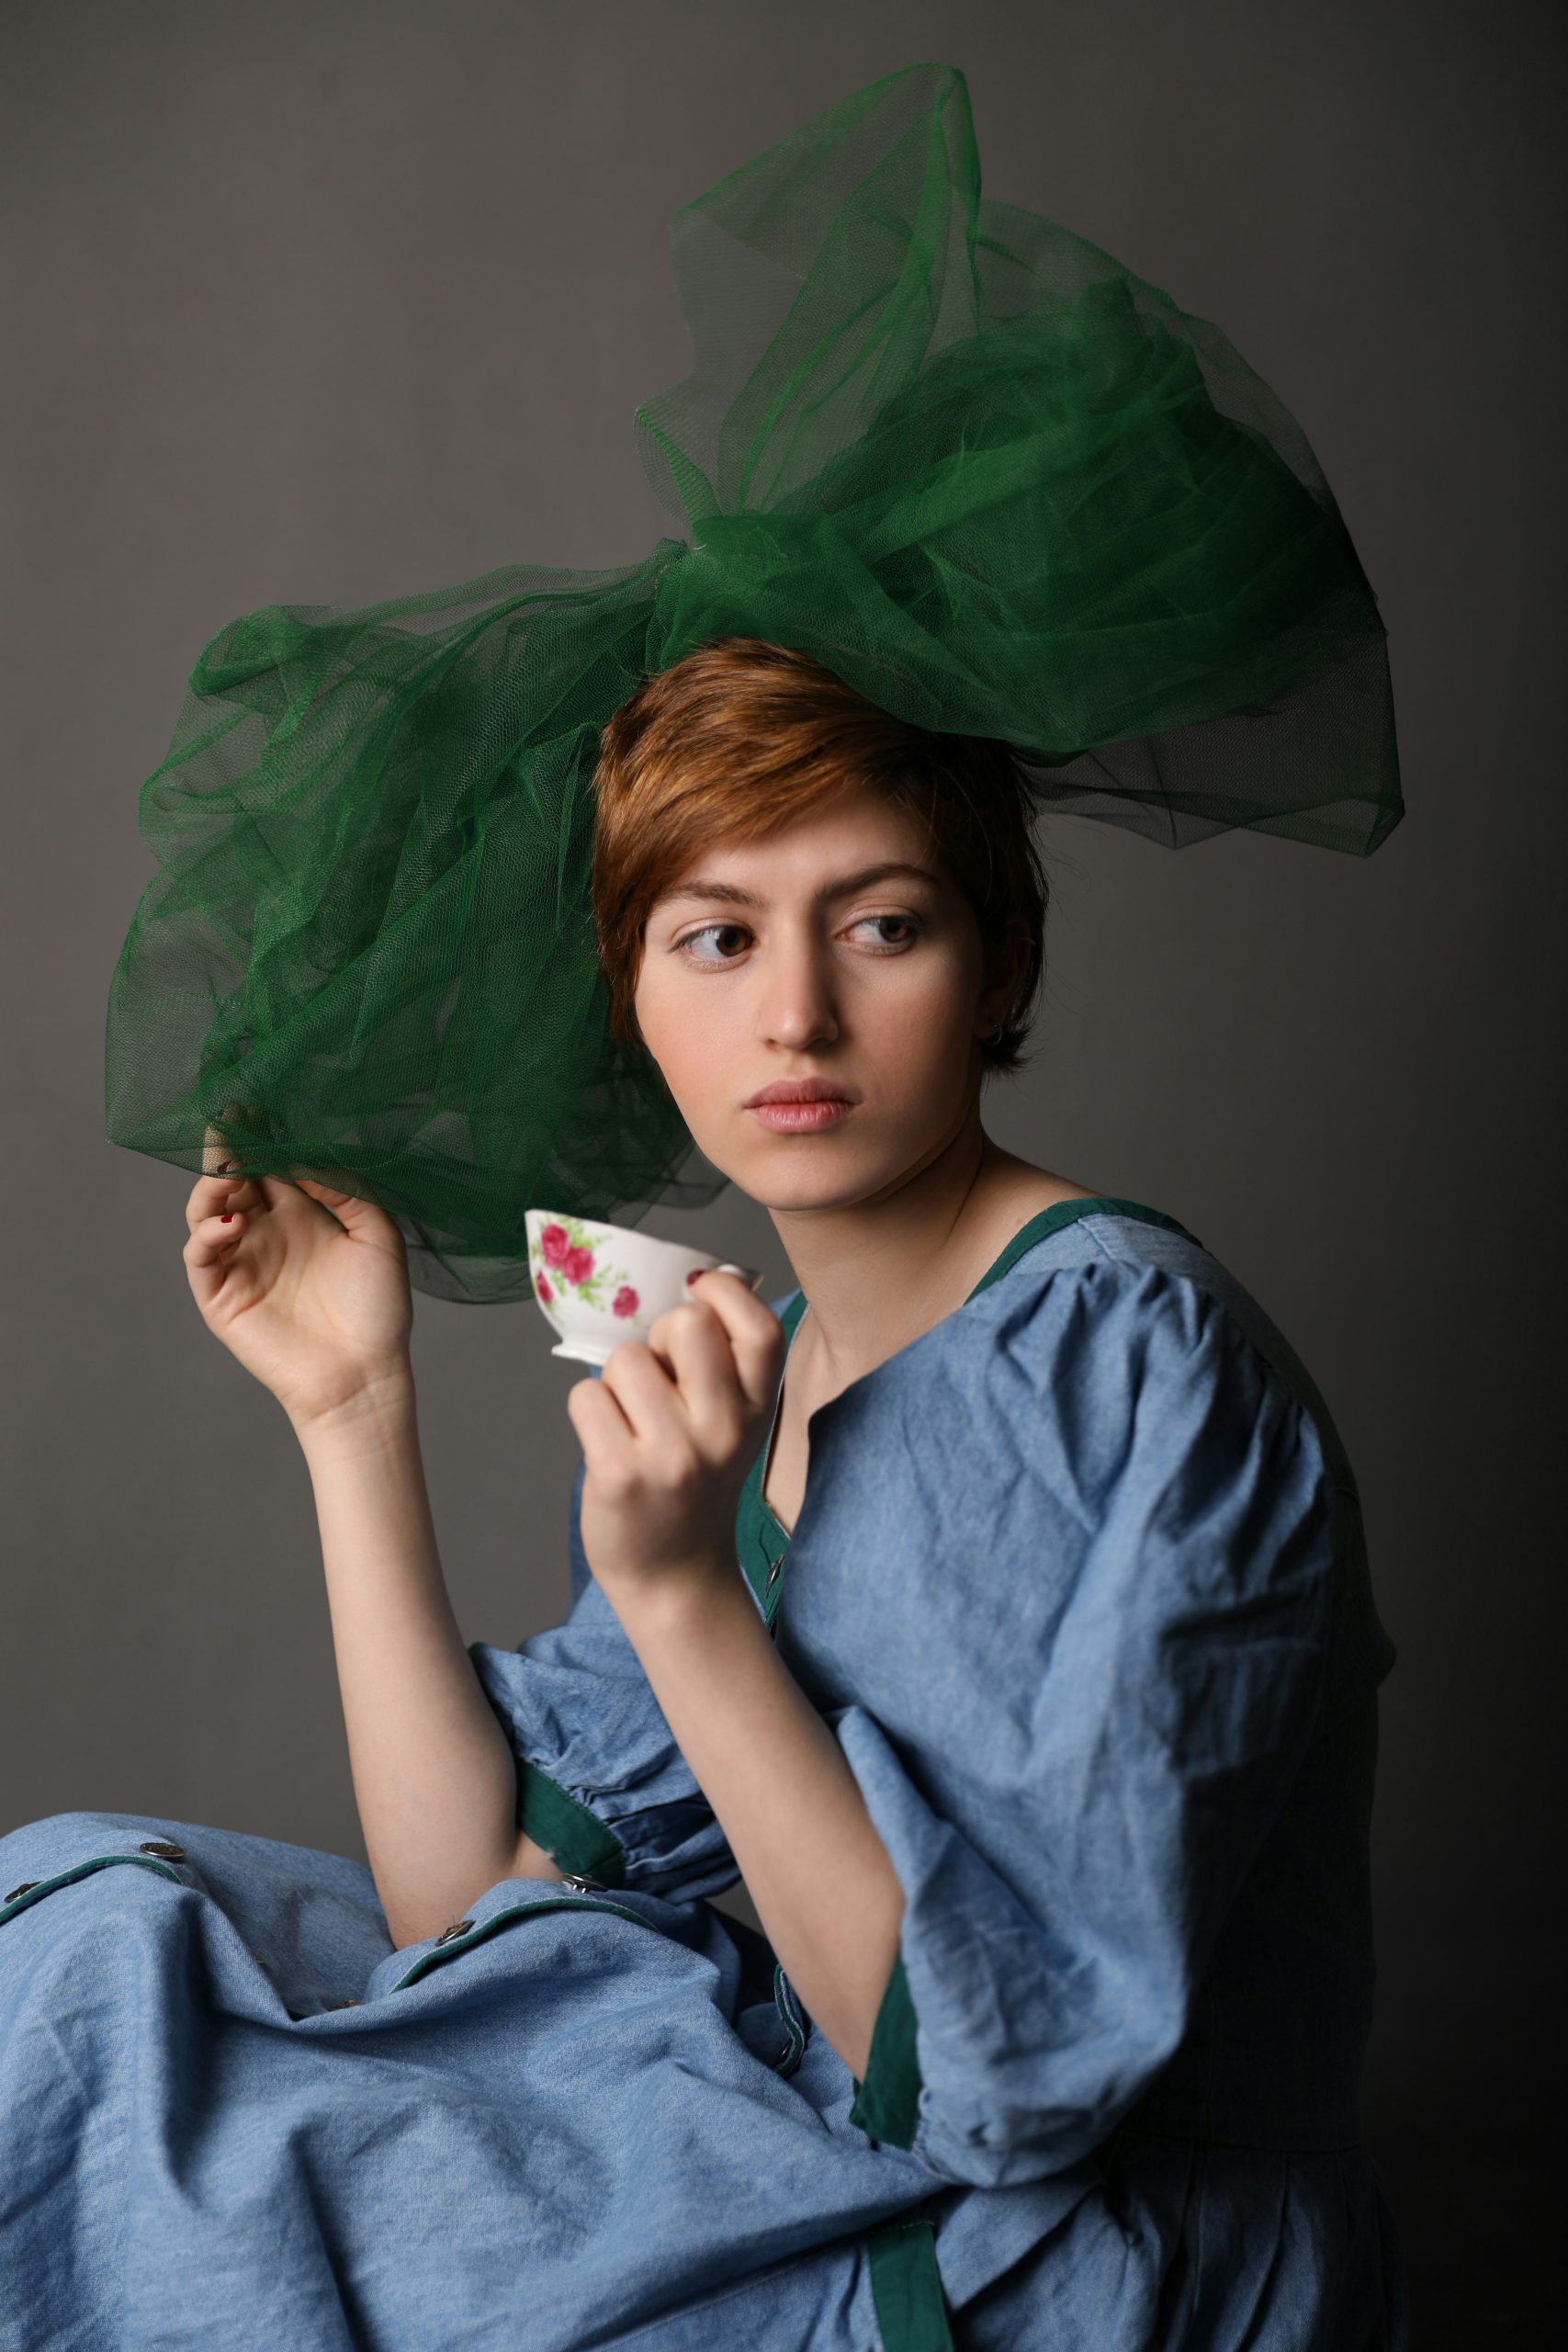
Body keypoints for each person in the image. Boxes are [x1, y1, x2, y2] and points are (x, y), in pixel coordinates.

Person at [1, 636, 1405, 2346]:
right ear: (632, 992)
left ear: (1000, 959)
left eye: (881, 925)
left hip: (1068, 2268)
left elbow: (992, 2092)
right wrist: (352, 1408)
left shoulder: (1120, 1354)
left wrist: (683, 1596)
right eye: (718, 938)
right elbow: (477, 1897)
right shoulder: (784, 1356)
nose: (795, 1014)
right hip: (835, 2162)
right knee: (94, 1952)